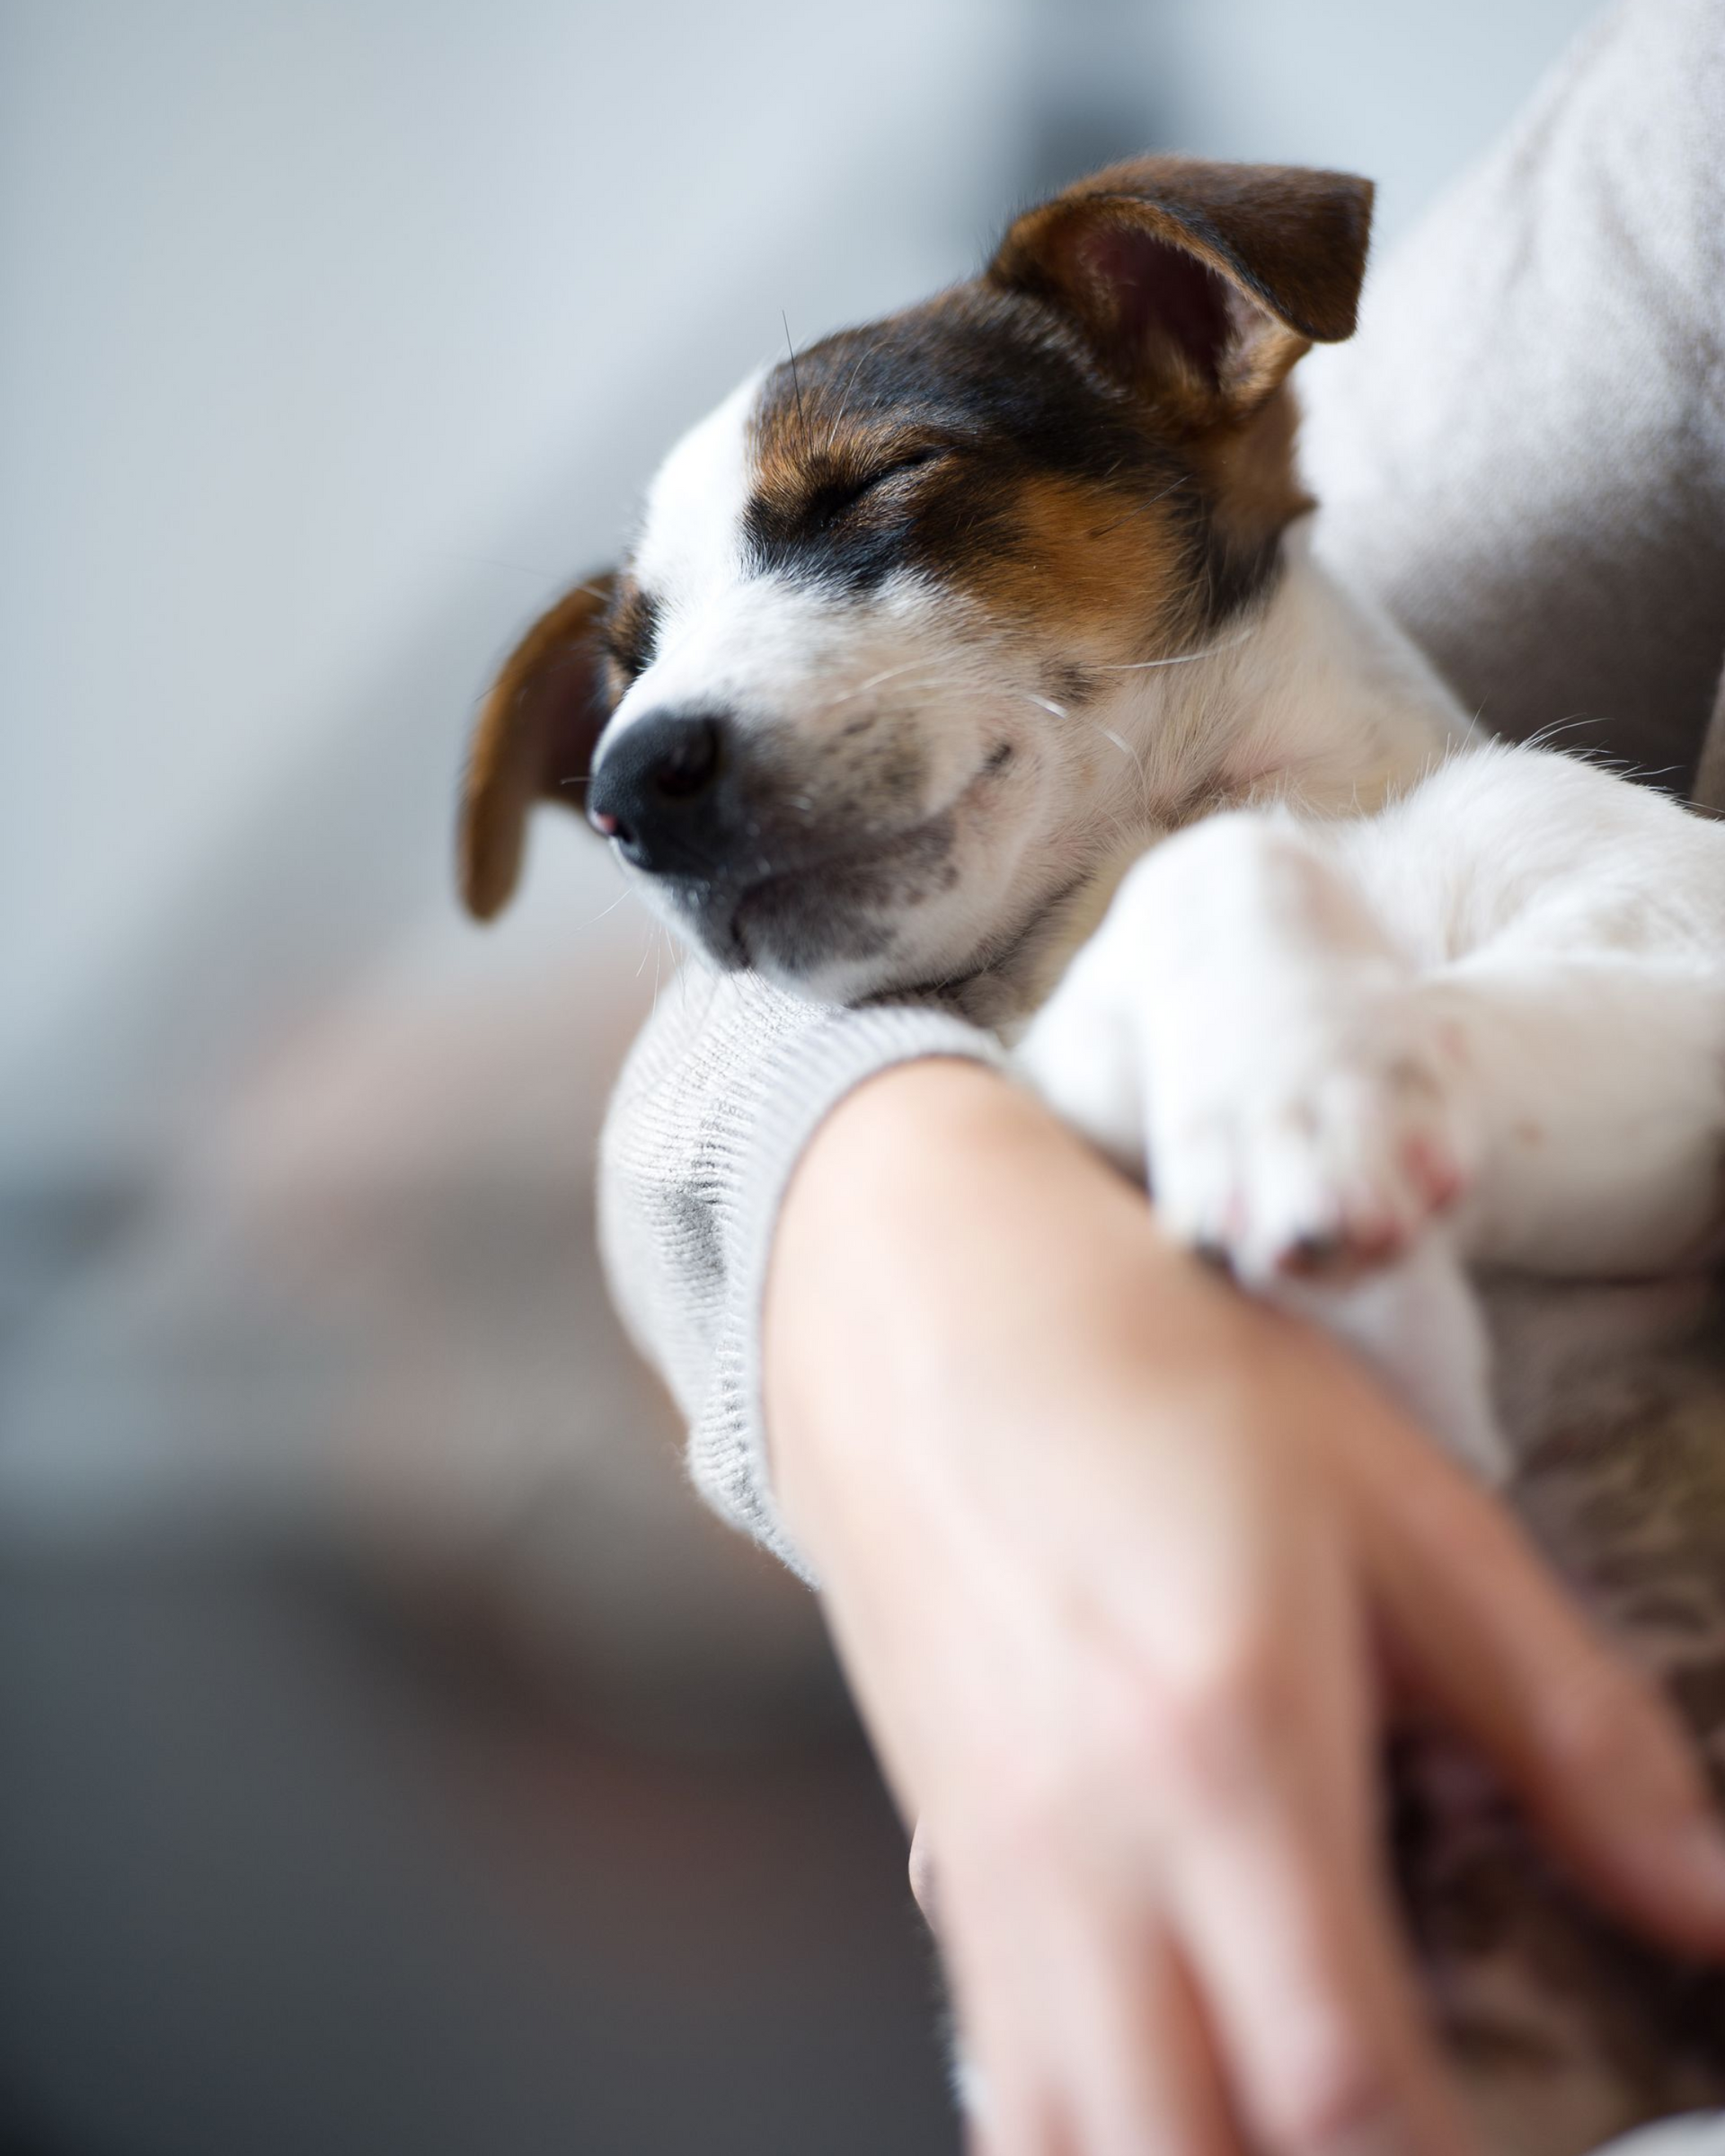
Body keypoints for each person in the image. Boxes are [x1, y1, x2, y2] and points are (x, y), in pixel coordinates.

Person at [599, 3, 1725, 2149]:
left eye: (873, 501)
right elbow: (711, 1103)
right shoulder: (1677, 216)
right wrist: (897, 1251)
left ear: (1185, 321)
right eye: (632, 694)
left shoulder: (1500, 851)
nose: (640, 774)